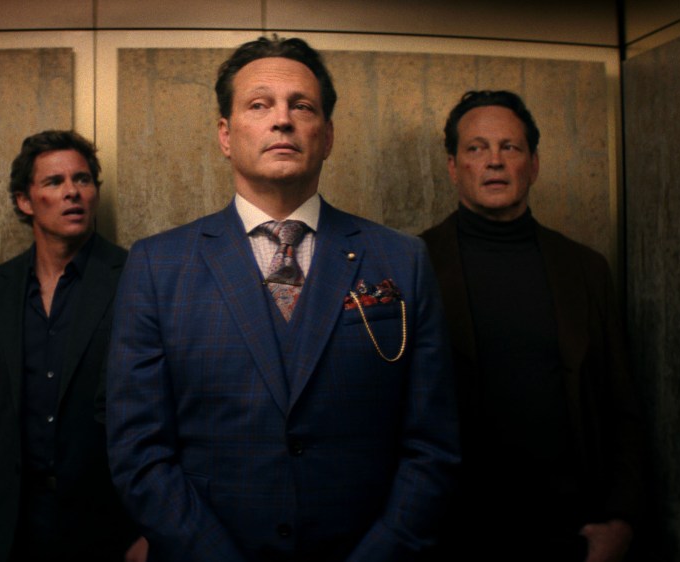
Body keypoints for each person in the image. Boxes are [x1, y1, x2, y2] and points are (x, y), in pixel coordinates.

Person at [106, 36, 459, 561]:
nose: (282, 120)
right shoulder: (158, 265)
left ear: (328, 136)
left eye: (302, 106)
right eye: (259, 104)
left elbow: (431, 443)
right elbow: (138, 449)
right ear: (225, 135)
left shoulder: (401, 260)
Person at [420, 90, 643, 562]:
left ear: (534, 164)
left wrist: (620, 521)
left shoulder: (585, 269)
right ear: (453, 167)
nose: (494, 161)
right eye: (477, 148)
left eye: (510, 147)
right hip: (454, 533)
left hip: (571, 532)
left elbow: (622, 404)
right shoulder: (413, 264)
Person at [0, 130, 144, 562]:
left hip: (108, 523)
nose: (72, 192)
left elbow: (160, 412)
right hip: (10, 521)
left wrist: (148, 528)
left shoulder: (136, 278)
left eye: (82, 179)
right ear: (25, 201)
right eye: (54, 182)